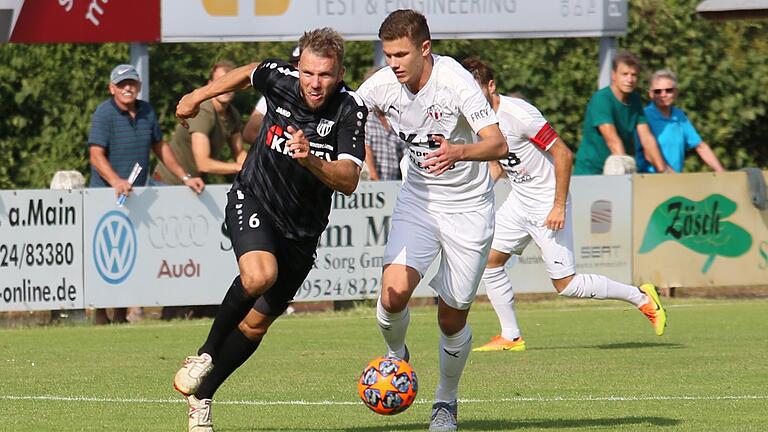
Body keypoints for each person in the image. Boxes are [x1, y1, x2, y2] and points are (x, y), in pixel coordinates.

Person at [171, 28, 366, 432]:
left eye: (326, 75)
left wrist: (311, 159)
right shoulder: (282, 77)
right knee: (260, 275)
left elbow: (348, 180)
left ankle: (202, 397)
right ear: (299, 67)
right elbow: (246, 73)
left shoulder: (350, 109)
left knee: (256, 324)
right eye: (309, 73)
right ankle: (205, 353)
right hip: (254, 196)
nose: (315, 83)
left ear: (340, 72)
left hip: (303, 230)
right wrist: (197, 96)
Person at [356, 10, 507, 432]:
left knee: (450, 319)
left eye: (401, 54)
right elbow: (345, 111)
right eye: (388, 55)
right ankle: (397, 356)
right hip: (418, 202)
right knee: (392, 295)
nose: (394, 63)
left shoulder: (456, 82)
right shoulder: (382, 85)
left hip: (469, 210)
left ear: (425, 48)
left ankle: (445, 402)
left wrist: (458, 151)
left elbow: (497, 143)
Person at [461, 57, 667, 354]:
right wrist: (476, 196)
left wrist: (558, 206)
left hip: (546, 202)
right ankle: (511, 336)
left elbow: (563, 154)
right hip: (520, 200)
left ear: (491, 86)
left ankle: (641, 297)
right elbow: (498, 165)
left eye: (474, 89)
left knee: (567, 285)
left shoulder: (519, 114)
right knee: (490, 263)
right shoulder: (479, 120)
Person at [88, 64, 205, 325]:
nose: (127, 88)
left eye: (132, 83)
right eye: (121, 84)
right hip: (106, 196)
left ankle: (119, 316)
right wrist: (116, 181)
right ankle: (99, 315)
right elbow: (96, 155)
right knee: (106, 256)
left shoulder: (147, 111)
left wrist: (185, 177)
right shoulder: (104, 114)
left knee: (131, 256)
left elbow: (160, 147)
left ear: (139, 86)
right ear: (112, 88)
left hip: (137, 196)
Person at [574, 52, 670, 175]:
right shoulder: (602, 99)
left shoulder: (635, 100)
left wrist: (664, 172)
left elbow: (647, 138)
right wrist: (626, 174)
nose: (630, 79)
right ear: (614, 75)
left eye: (634, 75)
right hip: (591, 173)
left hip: (619, 171)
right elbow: (612, 141)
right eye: (625, 74)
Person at [153, 60, 246, 186]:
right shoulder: (204, 111)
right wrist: (238, 168)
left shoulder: (233, 114)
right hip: (169, 183)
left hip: (195, 184)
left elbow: (239, 153)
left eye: (231, 83)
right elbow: (203, 164)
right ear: (210, 84)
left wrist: (253, 168)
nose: (226, 89)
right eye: (221, 82)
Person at [636, 68, 725, 173]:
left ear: (676, 92)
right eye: (658, 91)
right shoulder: (643, 116)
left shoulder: (679, 115)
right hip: (649, 181)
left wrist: (721, 172)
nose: (663, 95)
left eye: (668, 90)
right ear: (650, 94)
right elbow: (648, 153)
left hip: (675, 183)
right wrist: (671, 175)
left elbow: (700, 146)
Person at [242, 45, 301, 145]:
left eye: (300, 64)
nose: (296, 70)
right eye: (293, 65)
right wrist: (278, 150)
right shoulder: (274, 92)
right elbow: (249, 133)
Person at [362, 66, 407, 180]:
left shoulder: (394, 119)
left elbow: (404, 151)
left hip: (392, 182)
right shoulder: (366, 117)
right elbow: (366, 147)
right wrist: (374, 177)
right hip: (369, 185)